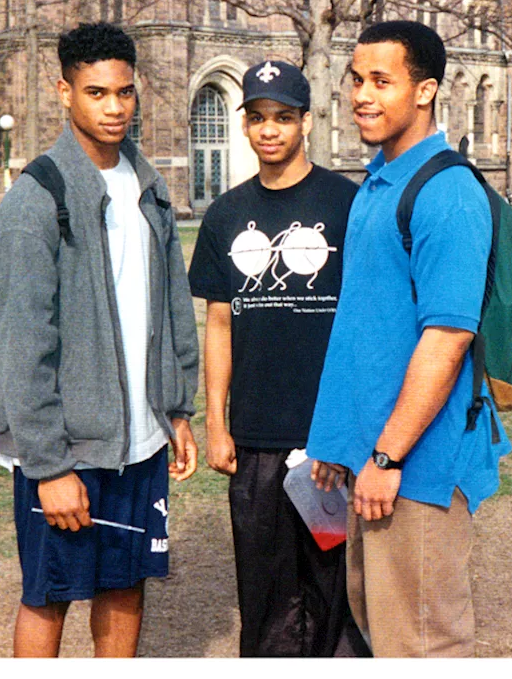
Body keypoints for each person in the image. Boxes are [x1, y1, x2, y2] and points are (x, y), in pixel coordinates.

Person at [0, 22, 199, 657]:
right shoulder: (37, 197)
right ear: (64, 92)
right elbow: (22, 345)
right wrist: (48, 466)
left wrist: (176, 410)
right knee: (48, 595)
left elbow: (172, 304)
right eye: (97, 92)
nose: (114, 108)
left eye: (125, 93)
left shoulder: (149, 185)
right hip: (67, 446)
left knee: (126, 586)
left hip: (140, 437)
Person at [306, 20, 512, 657]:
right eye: (356, 80)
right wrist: (344, 444)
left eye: (381, 81)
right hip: (375, 460)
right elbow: (368, 329)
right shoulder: (378, 181)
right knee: (384, 628)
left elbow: (447, 339)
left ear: (424, 92)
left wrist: (389, 457)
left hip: (417, 466)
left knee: (422, 644)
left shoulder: (446, 192)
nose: (362, 95)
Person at [188, 59, 367, 657]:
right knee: (265, 596)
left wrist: (352, 427)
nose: (270, 130)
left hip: (329, 435)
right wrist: (217, 424)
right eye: (259, 118)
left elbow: (369, 323)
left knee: (335, 596)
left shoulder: (348, 203)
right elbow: (218, 324)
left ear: (306, 122)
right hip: (256, 437)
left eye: (284, 118)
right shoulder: (226, 214)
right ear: (244, 125)